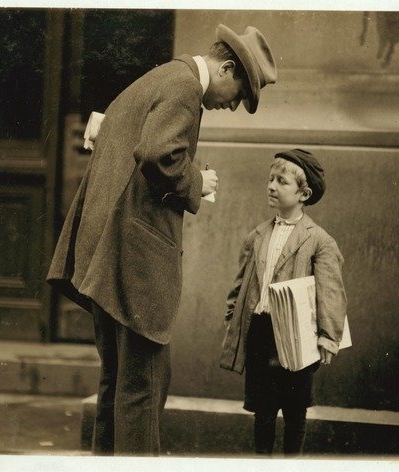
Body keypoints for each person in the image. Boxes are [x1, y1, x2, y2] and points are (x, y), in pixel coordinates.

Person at [46, 24, 276, 456]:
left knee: (117, 384)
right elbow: (157, 153)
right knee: (143, 391)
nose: (233, 106)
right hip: (134, 265)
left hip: (103, 257)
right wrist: (196, 182)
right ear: (227, 68)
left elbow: (121, 141)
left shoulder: (161, 77)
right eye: (240, 94)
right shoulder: (185, 88)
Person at [220, 149, 347, 456]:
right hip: (261, 332)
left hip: (296, 336)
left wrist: (328, 337)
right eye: (270, 179)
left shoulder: (318, 240)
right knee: (263, 411)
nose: (272, 186)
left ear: (304, 193)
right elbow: (241, 284)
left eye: (281, 181)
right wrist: (233, 318)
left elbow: (330, 292)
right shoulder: (257, 235)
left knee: (295, 410)